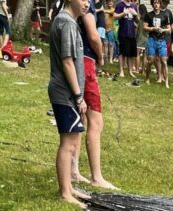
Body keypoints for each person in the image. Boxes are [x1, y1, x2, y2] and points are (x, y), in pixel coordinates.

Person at [72, 0, 117, 190]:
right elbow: (93, 35)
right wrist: (101, 56)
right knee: (96, 121)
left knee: (78, 117)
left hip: (73, 59)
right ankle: (96, 176)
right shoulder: (87, 3)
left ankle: (73, 170)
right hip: (86, 62)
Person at [48, 0, 89, 207]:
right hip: (65, 93)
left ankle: (69, 187)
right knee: (68, 143)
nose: (87, 3)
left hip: (67, 93)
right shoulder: (67, 23)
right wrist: (78, 96)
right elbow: (67, 61)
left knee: (72, 141)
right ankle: (65, 192)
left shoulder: (65, 21)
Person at [142, 0, 172, 86]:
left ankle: (166, 82)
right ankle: (147, 78)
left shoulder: (165, 15)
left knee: (164, 61)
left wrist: (163, 30)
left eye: (158, 3)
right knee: (150, 60)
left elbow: (169, 29)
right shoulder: (148, 15)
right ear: (152, 4)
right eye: (154, 3)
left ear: (160, 4)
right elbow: (144, 27)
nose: (156, 4)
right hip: (152, 40)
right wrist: (152, 28)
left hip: (162, 40)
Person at [113, 0, 139, 76]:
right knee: (122, 52)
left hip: (132, 33)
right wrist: (123, 13)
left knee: (131, 53)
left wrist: (135, 14)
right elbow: (114, 16)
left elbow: (138, 21)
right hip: (123, 32)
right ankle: (121, 71)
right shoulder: (120, 5)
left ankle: (130, 71)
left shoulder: (134, 6)